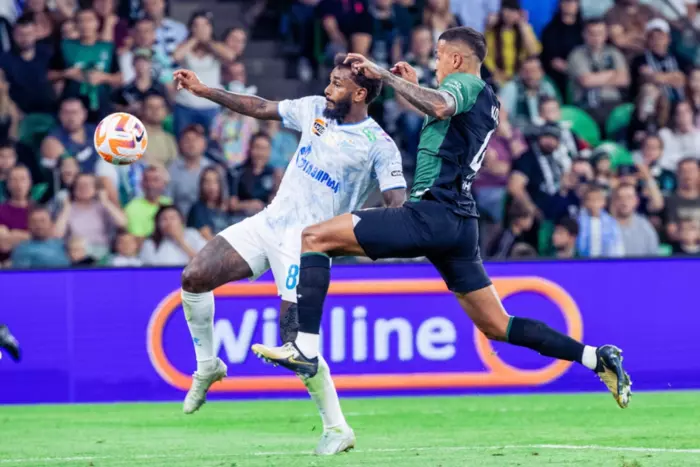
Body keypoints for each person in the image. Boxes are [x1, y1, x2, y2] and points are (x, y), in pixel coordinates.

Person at [251, 27, 632, 412]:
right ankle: (595, 357)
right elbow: (444, 120)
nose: (435, 63)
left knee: (314, 237)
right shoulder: (488, 98)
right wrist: (411, 87)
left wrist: (385, 76)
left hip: (431, 213)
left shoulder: (464, 84)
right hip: (460, 224)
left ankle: (305, 348)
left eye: (438, 56)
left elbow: (441, 107)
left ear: (456, 59)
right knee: (497, 324)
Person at [173, 52, 407, 454]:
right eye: (330, 80)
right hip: (270, 222)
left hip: (307, 245)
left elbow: (396, 204)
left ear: (360, 94)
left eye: (337, 84)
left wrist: (359, 229)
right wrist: (204, 90)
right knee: (194, 277)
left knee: (297, 343)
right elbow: (259, 107)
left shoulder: (379, 146)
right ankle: (208, 365)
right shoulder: (314, 109)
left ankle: (337, 428)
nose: (327, 89)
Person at [568, 18, 630, 128]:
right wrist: (612, 73)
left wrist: (596, 78)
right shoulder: (576, 54)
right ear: (584, 34)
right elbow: (586, 81)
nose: (596, 37)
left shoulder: (614, 53)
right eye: (592, 34)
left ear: (606, 35)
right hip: (586, 103)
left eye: (600, 33)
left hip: (614, 101)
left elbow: (624, 80)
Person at [541, 0, 584, 96]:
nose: (569, 4)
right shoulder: (550, 30)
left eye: (573, 2)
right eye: (566, 1)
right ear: (560, 4)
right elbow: (554, 62)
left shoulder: (584, 29)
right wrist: (574, 71)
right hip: (559, 78)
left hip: (583, 75)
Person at [140, 204, 206, 266]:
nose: (169, 223)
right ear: (158, 224)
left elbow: (205, 263)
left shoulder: (192, 234)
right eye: (164, 219)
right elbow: (148, 269)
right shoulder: (150, 243)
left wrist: (180, 241)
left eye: (172, 218)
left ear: (181, 221)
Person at [611, 183, 659, 256]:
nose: (624, 201)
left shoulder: (645, 227)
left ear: (636, 201)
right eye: (620, 197)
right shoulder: (606, 227)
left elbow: (653, 255)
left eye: (629, 197)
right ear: (614, 201)